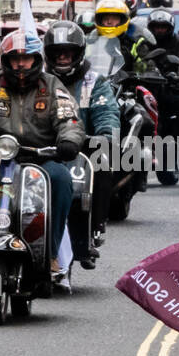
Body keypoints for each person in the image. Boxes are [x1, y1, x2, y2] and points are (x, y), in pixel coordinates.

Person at [0, 30, 86, 281]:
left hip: (41, 157)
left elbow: (69, 117)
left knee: (61, 180)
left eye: (27, 59)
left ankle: (50, 253)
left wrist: (68, 140)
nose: (21, 64)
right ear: (6, 60)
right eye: (15, 59)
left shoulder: (52, 85)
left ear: (37, 60)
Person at [42, 21, 117, 268]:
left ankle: (94, 227)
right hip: (44, 149)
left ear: (78, 53)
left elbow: (107, 111)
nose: (63, 58)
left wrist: (105, 134)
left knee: (104, 159)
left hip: (82, 148)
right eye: (57, 53)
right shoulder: (37, 79)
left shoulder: (94, 81)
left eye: (68, 52)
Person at [92, 0, 152, 74]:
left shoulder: (135, 41)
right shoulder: (92, 39)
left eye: (114, 18)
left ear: (123, 20)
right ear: (99, 20)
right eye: (105, 19)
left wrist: (136, 73)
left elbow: (145, 68)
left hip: (125, 84)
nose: (109, 22)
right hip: (95, 84)